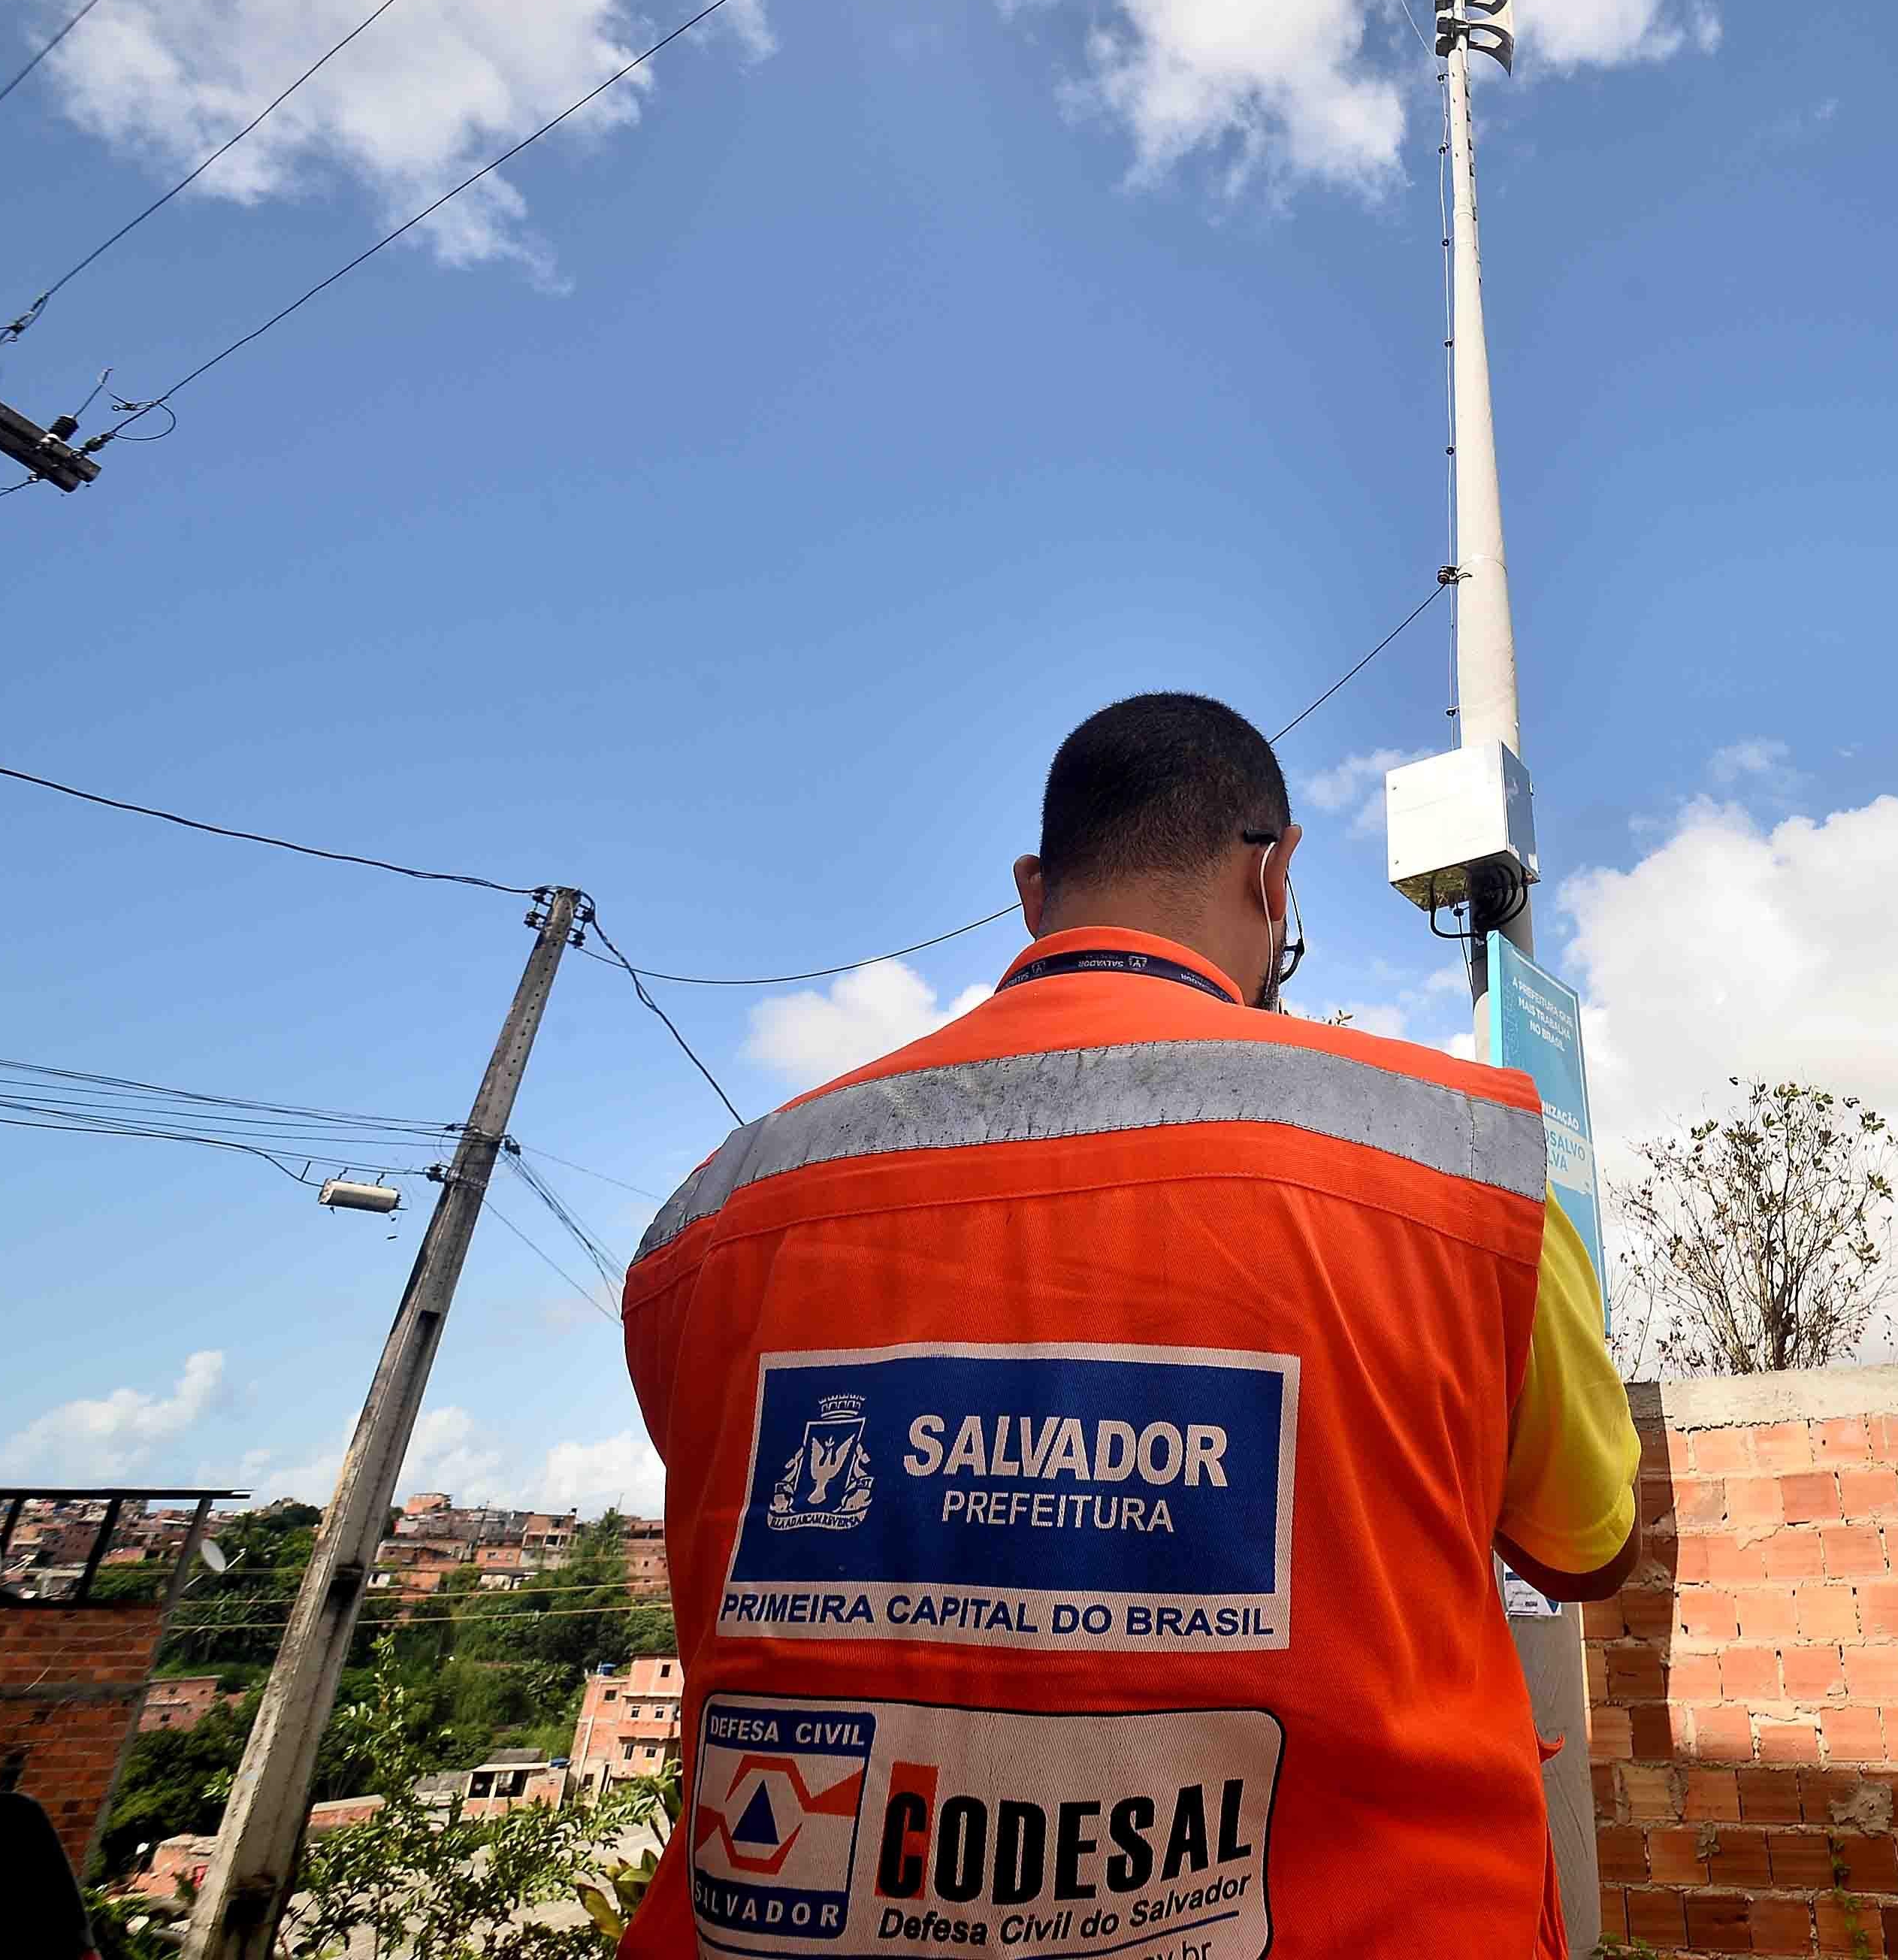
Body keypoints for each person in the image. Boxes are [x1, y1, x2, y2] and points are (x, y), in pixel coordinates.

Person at [618, 691, 1638, 1960]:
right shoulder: (1460, 1163)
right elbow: (1588, 1548)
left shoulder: (715, 1216)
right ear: (1276, 873)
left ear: (1036, 892)